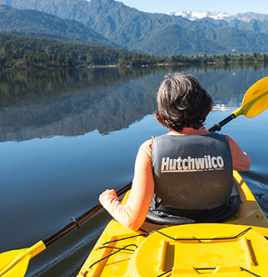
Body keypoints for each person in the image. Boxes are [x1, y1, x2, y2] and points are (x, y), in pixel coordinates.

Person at [99, 73, 251, 231]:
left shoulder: (150, 150)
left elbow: (132, 221)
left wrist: (108, 200)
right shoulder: (226, 143)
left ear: (161, 117)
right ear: (206, 107)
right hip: (219, 214)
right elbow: (245, 164)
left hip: (166, 217)